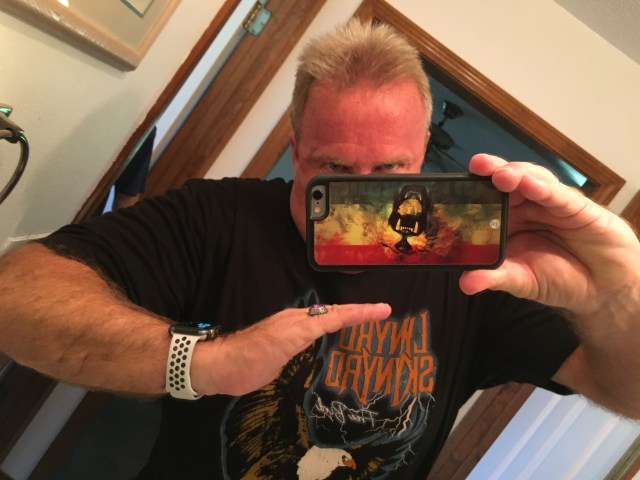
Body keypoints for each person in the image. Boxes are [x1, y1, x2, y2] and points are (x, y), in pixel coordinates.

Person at [0, 18, 639, 479]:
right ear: (296, 146)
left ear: (422, 154)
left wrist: (615, 300)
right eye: (333, 170)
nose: (361, 200)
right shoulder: (218, 217)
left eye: (388, 172)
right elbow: (15, 296)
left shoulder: (473, 267)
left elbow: (629, 394)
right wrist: (206, 363)